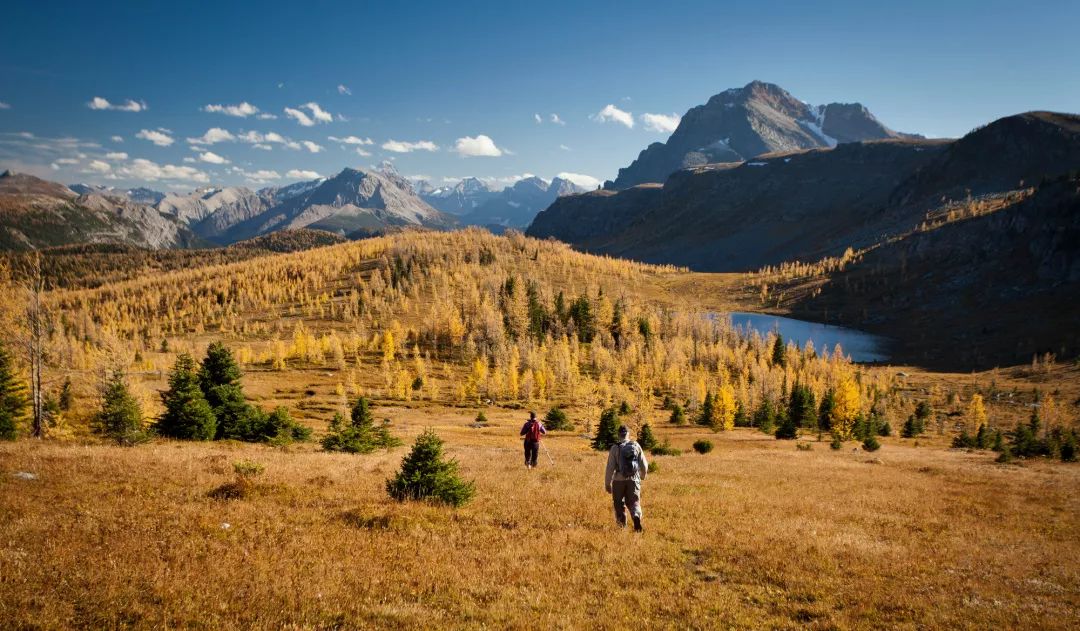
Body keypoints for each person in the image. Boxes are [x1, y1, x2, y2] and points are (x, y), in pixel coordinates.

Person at [605, 425, 648, 531]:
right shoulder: (636, 445)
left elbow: (610, 467)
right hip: (634, 479)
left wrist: (607, 484)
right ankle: (636, 516)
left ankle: (621, 525)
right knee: (634, 502)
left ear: (618, 435)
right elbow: (644, 465)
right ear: (628, 434)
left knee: (618, 503)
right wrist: (642, 476)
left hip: (618, 480)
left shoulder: (615, 447)